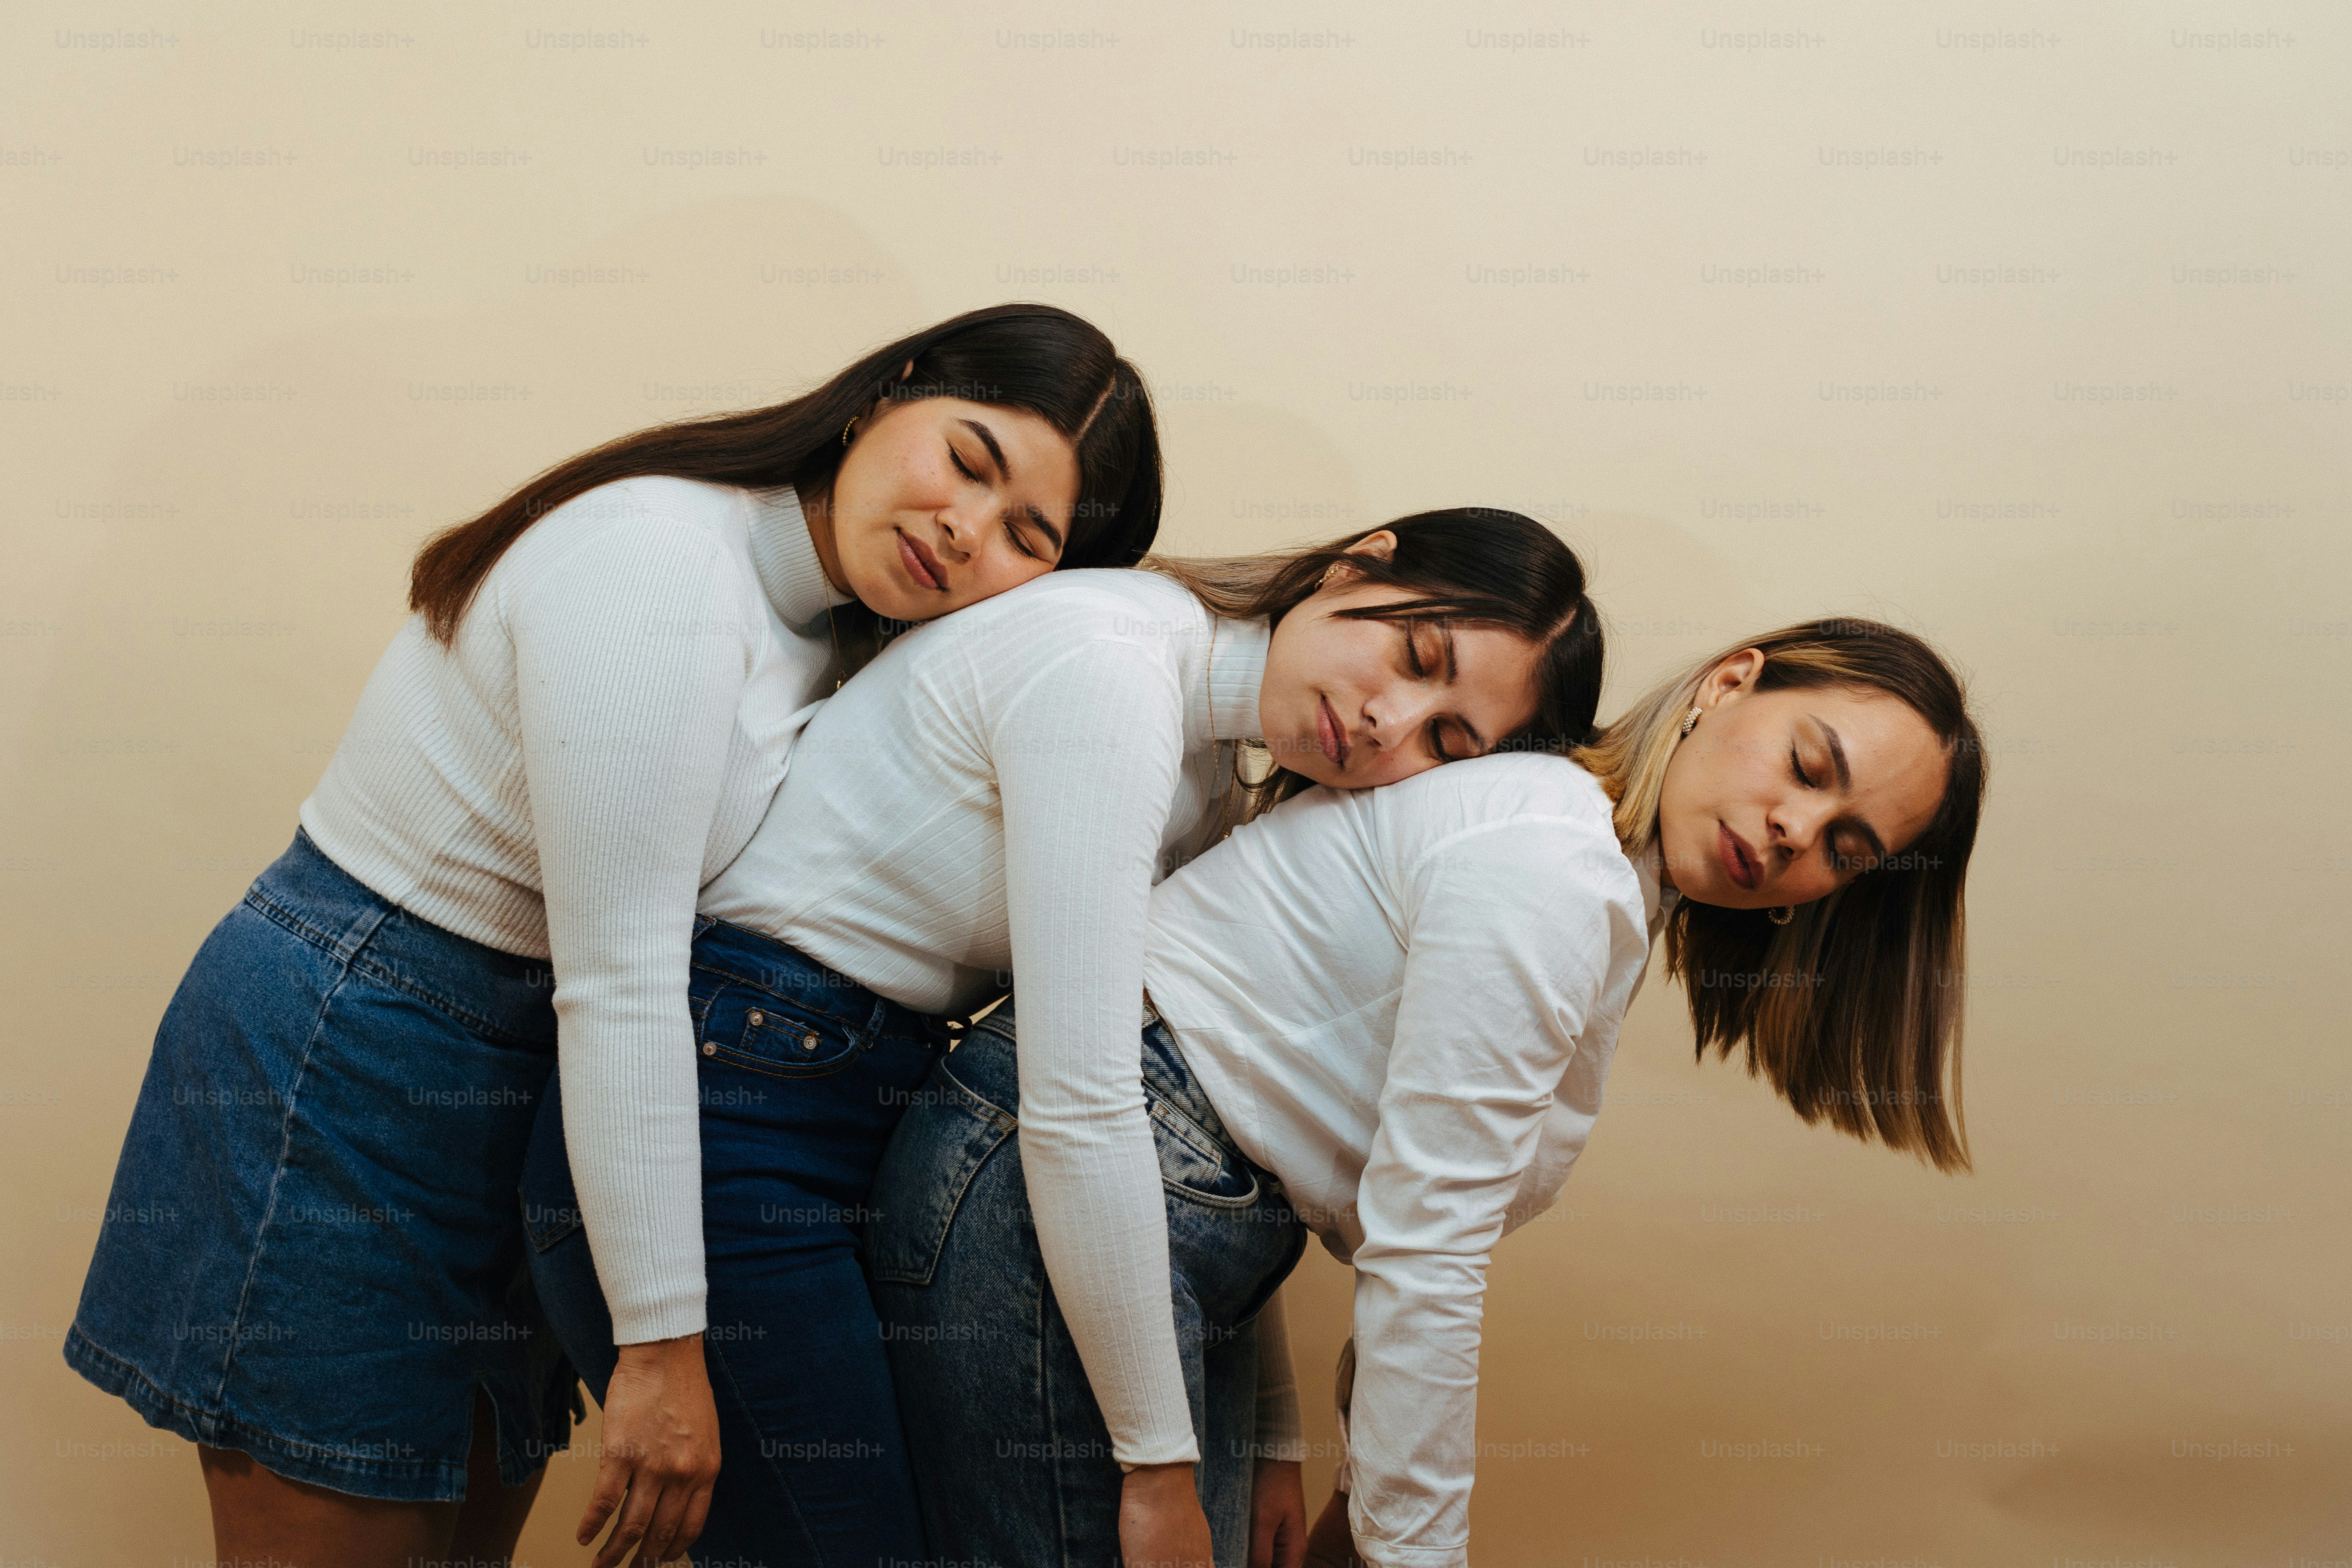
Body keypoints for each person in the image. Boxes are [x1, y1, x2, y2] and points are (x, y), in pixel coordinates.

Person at [63, 302, 1162, 1568]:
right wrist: (662, 1349)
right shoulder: (665, 562)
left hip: (539, 1081)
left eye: (1029, 534)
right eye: (968, 460)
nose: (966, 529)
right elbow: (625, 977)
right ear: (887, 392)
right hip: (358, 1050)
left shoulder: (828, 627)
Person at [519, 508, 1604, 1565]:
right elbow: (1084, 1102)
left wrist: (1270, 1431)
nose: (1387, 723)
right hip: (719, 1107)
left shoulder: (1215, 757)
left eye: (1445, 740)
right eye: (1417, 655)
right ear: (1359, 564)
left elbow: (1216, 1075)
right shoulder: (1116, 673)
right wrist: (1156, 1470)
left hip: (853, 1106)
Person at [869, 617, 1984, 1568]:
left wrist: (1322, 1466)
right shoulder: (1554, 860)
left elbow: (1292, 1129)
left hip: (1152, 1215)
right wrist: (1409, 1547)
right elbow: (1425, 1239)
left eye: (1846, 847)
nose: (1797, 831)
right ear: (1729, 684)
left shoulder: (1593, 873)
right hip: (1062, 1192)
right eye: (1808, 765)